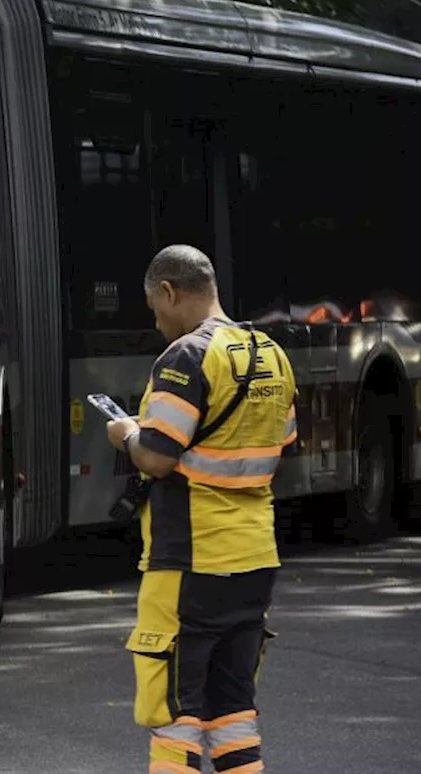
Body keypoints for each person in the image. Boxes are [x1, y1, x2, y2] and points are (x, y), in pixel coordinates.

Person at [105, 244, 296, 774]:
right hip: (255, 558)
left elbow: (158, 457)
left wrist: (125, 435)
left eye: (154, 306)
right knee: (233, 710)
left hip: (190, 559)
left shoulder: (187, 356)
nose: (157, 319)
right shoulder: (271, 354)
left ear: (169, 291)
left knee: (174, 713)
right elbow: (282, 444)